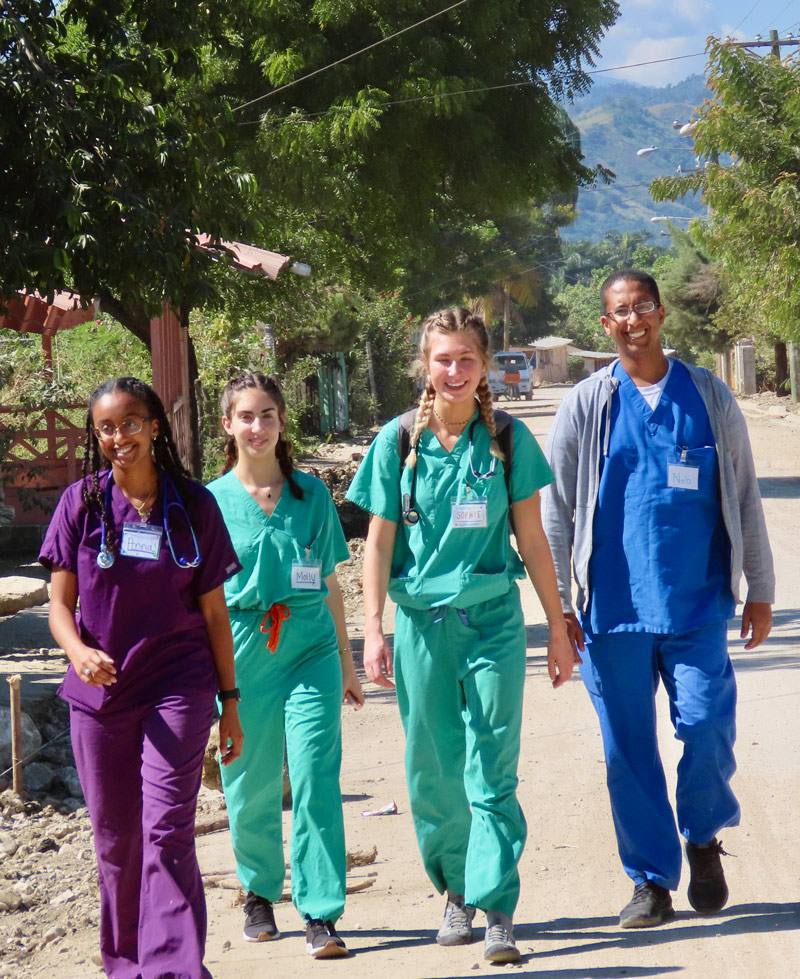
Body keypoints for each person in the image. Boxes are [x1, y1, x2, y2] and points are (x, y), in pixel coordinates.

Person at [542, 269, 775, 928]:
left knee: (704, 725)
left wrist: (761, 587)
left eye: (642, 306)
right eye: (620, 311)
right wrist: (560, 605)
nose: (633, 319)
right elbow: (555, 512)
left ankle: (702, 836)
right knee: (627, 748)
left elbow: (746, 493)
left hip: (696, 603)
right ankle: (650, 881)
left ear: (661, 312)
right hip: (608, 611)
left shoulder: (707, 394)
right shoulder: (588, 404)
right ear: (605, 324)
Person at [345, 308, 577, 963]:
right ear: (426, 364)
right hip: (422, 628)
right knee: (432, 772)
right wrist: (373, 630)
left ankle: (497, 905)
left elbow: (532, 540)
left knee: (492, 769)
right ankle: (455, 892)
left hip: (493, 626)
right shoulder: (397, 442)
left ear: (484, 364)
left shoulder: (505, 439)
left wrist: (558, 628)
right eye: (443, 359)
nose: (454, 370)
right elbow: (379, 542)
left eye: (466, 359)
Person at [40, 376, 244, 979]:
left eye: (130, 422)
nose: (118, 436)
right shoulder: (81, 504)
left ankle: (174, 968)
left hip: (178, 684)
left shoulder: (194, 505)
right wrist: (77, 651)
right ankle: (127, 966)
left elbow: (213, 612)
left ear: (155, 425)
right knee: (116, 839)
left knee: (167, 829)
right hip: (100, 691)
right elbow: (58, 606)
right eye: (106, 427)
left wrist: (229, 702)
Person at [206, 373, 364, 960]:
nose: (257, 426)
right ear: (228, 425)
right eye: (245, 416)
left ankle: (321, 911)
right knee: (248, 782)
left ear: (280, 422)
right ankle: (258, 892)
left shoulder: (311, 495)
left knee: (316, 775)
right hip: (243, 647)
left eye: (267, 415)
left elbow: (328, 583)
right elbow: (202, 600)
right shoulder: (210, 502)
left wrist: (347, 662)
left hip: (310, 648)